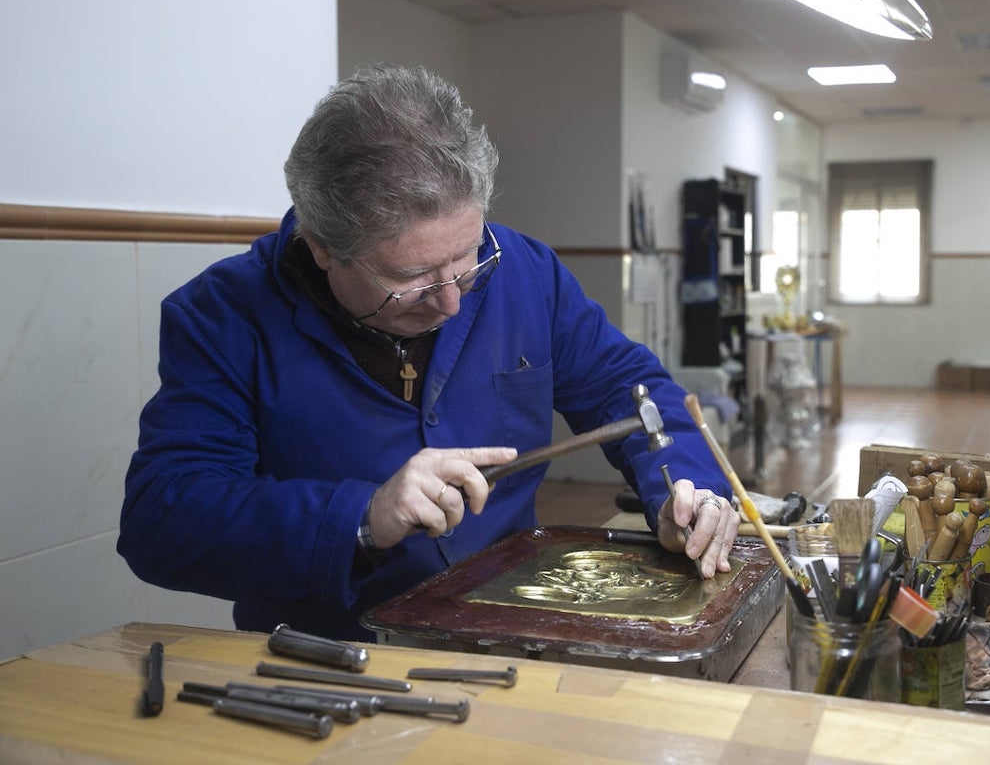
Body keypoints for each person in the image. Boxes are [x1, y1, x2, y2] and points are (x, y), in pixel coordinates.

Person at [118, 64, 739, 641]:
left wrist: (685, 489)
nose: (451, 304)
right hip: (330, 656)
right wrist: (362, 516)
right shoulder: (222, 315)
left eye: (467, 263)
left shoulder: (525, 271)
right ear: (322, 246)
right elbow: (163, 522)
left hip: (514, 631)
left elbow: (629, 390)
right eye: (413, 279)